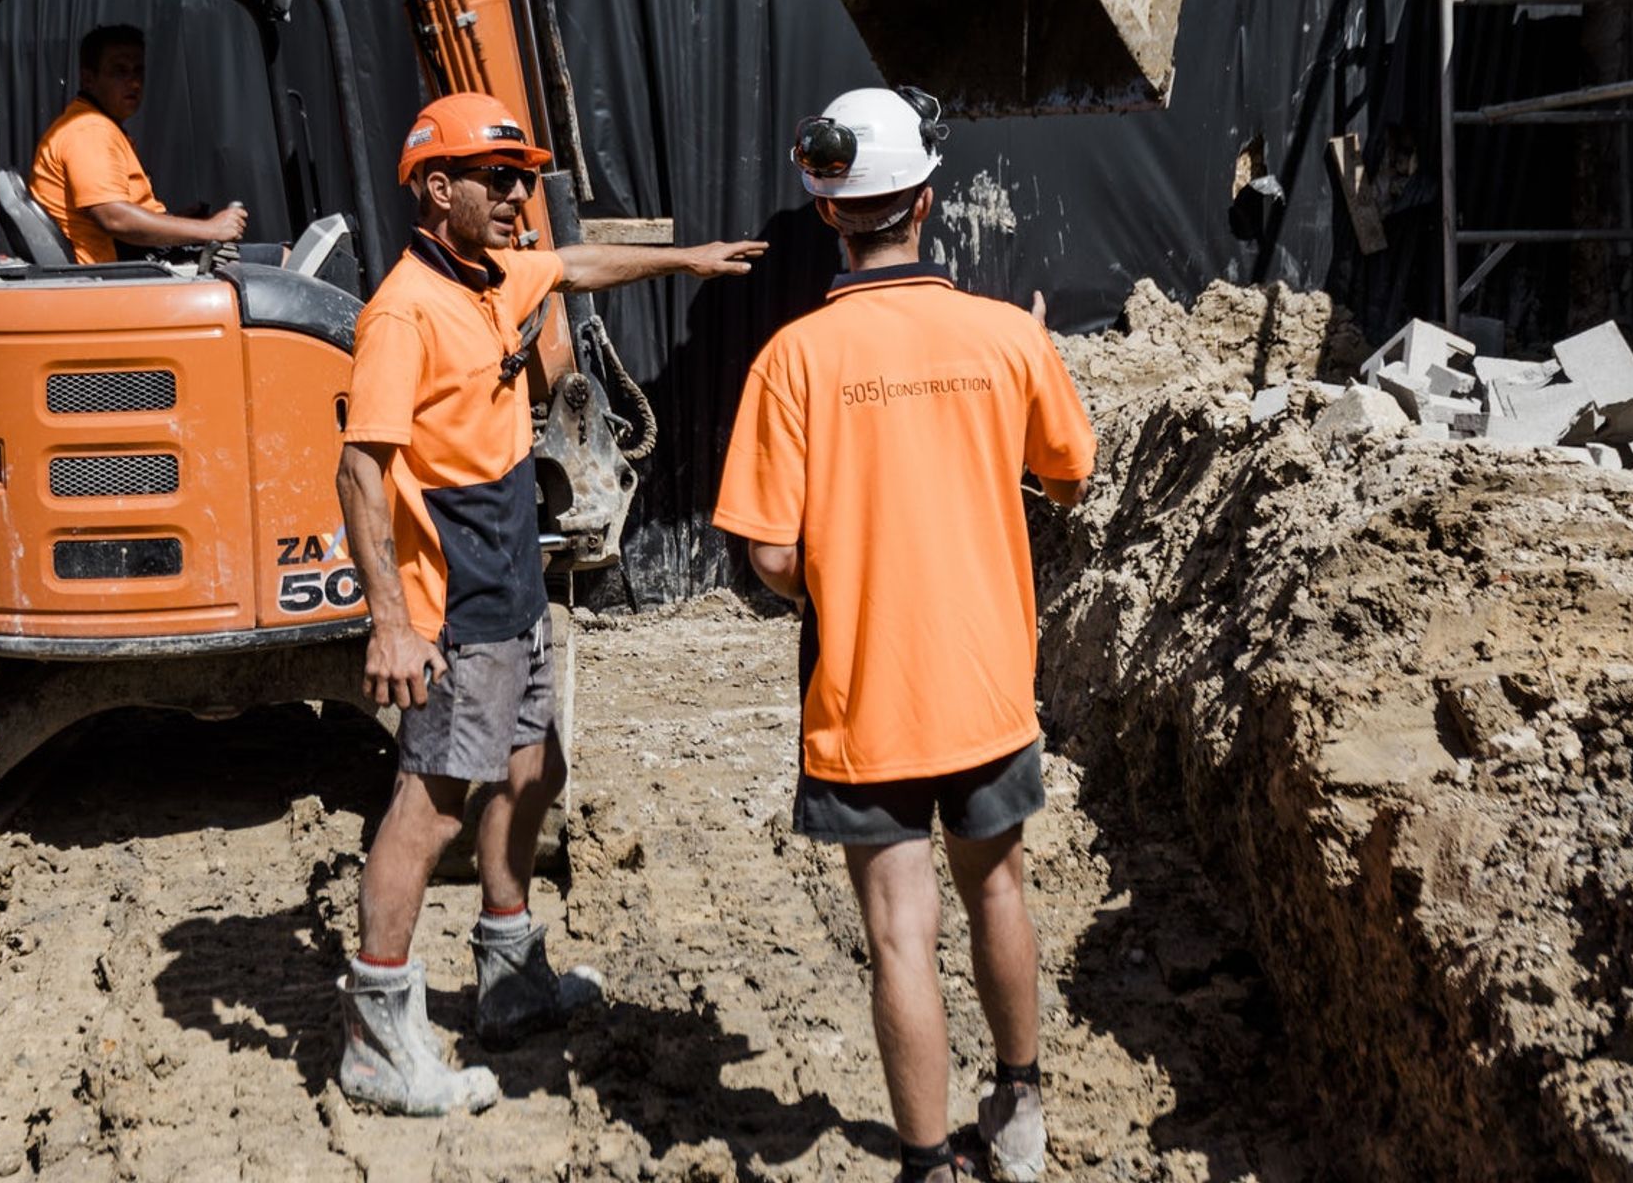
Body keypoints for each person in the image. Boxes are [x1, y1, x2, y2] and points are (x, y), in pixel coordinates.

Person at [333, 91, 767, 1117]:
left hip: (513, 570)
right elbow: (359, 469)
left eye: (523, 176)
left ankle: (509, 971)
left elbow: (572, 266)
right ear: (438, 189)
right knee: (432, 798)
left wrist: (686, 257)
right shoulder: (405, 309)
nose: (519, 194)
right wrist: (392, 619)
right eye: (499, 178)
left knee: (536, 766)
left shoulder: (492, 275)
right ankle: (377, 1032)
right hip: (452, 594)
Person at [711, 87, 1098, 1183]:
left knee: (898, 930)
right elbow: (1071, 476)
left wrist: (846, 587)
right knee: (1001, 886)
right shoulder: (1003, 337)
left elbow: (773, 558)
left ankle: (926, 1163)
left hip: (863, 696)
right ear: (928, 199)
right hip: (985, 681)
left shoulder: (792, 360)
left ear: (833, 213)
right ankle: (1019, 1107)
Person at [28, 24, 249, 263]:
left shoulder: (98, 125)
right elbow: (114, 218)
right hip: (116, 273)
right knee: (282, 259)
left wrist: (177, 221)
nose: (134, 83)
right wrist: (211, 230)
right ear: (89, 79)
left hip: (136, 259)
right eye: (120, 71)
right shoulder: (89, 129)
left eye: (138, 71)